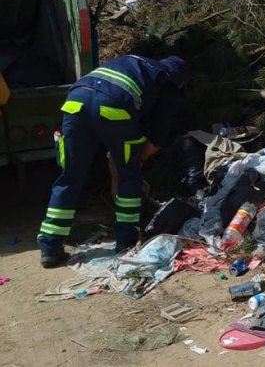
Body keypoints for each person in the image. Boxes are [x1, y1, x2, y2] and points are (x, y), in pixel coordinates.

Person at [37, 55, 187, 268]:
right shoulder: (168, 82)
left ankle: (50, 247)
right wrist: (137, 158)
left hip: (75, 100)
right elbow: (157, 138)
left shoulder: (135, 63)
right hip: (112, 106)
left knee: (69, 177)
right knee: (129, 176)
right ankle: (125, 242)